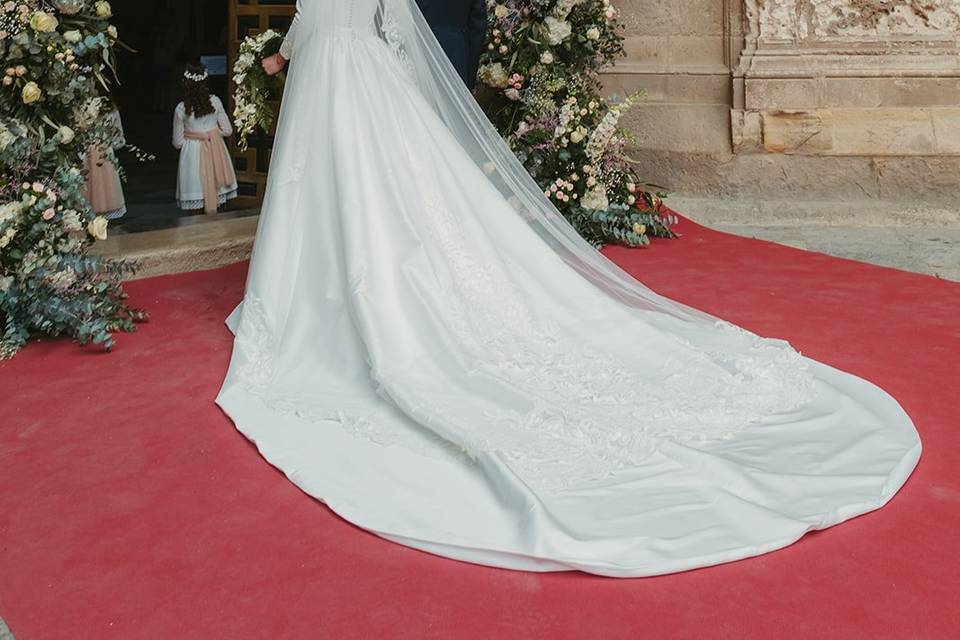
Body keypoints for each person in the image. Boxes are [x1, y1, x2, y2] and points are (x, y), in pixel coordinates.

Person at [220, 0, 920, 577]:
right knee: (383, 198)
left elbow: (315, 17)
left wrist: (278, 56)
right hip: (371, 76)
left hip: (331, 80)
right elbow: (391, 25)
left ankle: (314, 290)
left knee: (334, 193)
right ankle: (347, 278)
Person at [172, 64, 238, 215]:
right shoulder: (215, 102)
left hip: (192, 157)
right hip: (216, 151)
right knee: (217, 196)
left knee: (195, 202)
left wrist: (194, 137)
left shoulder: (181, 108)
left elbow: (177, 142)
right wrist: (211, 134)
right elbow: (227, 130)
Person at [84, 99, 127, 220]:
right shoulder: (111, 109)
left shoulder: (79, 105)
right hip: (103, 154)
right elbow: (118, 140)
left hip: (86, 154)